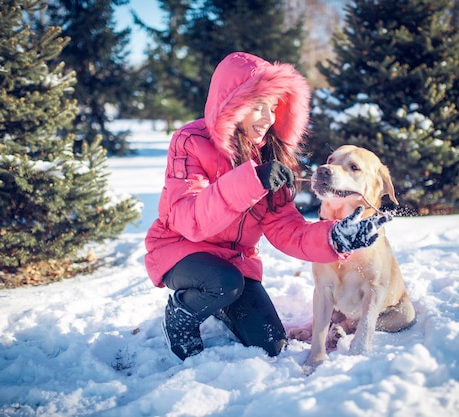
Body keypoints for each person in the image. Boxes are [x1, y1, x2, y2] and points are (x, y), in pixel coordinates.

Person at [144, 51, 390, 362]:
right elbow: (189, 220)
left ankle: (219, 302)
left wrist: (333, 237)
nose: (267, 118)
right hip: (181, 250)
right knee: (223, 283)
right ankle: (181, 316)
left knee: (271, 344)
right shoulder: (190, 141)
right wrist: (251, 180)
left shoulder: (269, 155)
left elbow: (286, 229)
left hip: (235, 262)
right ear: (230, 104)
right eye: (257, 107)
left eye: (272, 108)